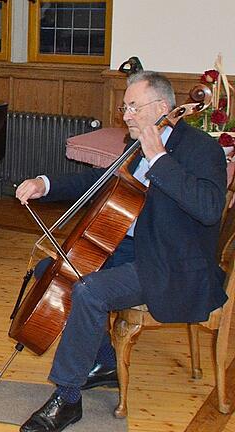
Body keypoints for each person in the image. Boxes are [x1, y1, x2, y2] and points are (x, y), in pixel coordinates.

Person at [14, 70, 228, 431]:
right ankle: (103, 361)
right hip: (127, 248)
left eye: (133, 107)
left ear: (162, 107)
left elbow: (208, 208)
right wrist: (44, 184)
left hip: (170, 262)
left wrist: (159, 159)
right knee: (53, 272)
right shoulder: (134, 147)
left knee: (90, 290)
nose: (125, 115)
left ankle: (67, 399)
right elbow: (97, 183)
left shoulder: (200, 149)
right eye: (124, 106)